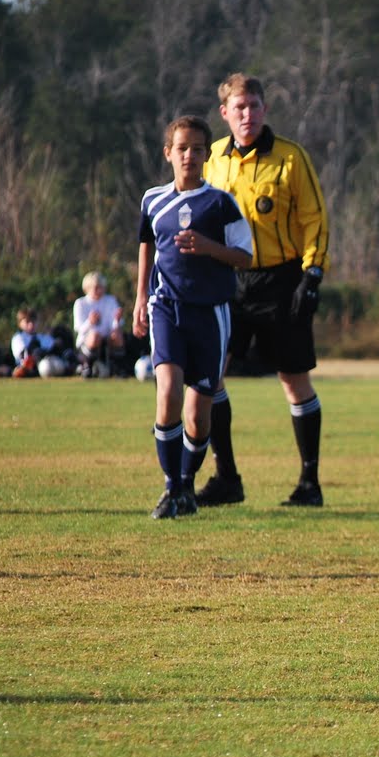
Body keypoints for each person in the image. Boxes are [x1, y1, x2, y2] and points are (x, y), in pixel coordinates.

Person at [195, 72, 331, 508]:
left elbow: (315, 219)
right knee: (211, 375)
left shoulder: (291, 158)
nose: (248, 114)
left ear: (264, 109)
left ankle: (309, 483)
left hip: (281, 279)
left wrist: (312, 275)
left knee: (294, 382)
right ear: (225, 113)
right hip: (228, 281)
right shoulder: (212, 159)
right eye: (239, 107)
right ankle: (227, 477)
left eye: (254, 106)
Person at [132, 114, 254, 519]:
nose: (189, 155)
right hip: (165, 306)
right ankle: (172, 487)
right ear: (168, 153)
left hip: (210, 313)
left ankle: (186, 485)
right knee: (166, 391)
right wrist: (139, 300)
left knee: (198, 417)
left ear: (206, 154)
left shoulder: (220, 203)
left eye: (197, 149)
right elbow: (147, 246)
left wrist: (207, 247)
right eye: (182, 148)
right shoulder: (153, 199)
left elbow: (244, 256)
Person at [73, 271, 125, 377]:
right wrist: (90, 322)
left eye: (100, 287)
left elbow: (114, 325)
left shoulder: (110, 300)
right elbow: (79, 328)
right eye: (95, 287)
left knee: (117, 335)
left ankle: (116, 367)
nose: (98, 290)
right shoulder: (80, 303)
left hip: (106, 338)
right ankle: (88, 365)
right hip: (87, 340)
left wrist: (117, 320)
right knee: (94, 336)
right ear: (87, 288)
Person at [9, 307, 63, 377]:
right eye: (27, 322)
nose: (31, 324)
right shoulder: (18, 338)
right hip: (27, 367)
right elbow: (24, 355)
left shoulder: (43, 337)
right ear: (20, 323)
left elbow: (54, 348)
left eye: (33, 321)